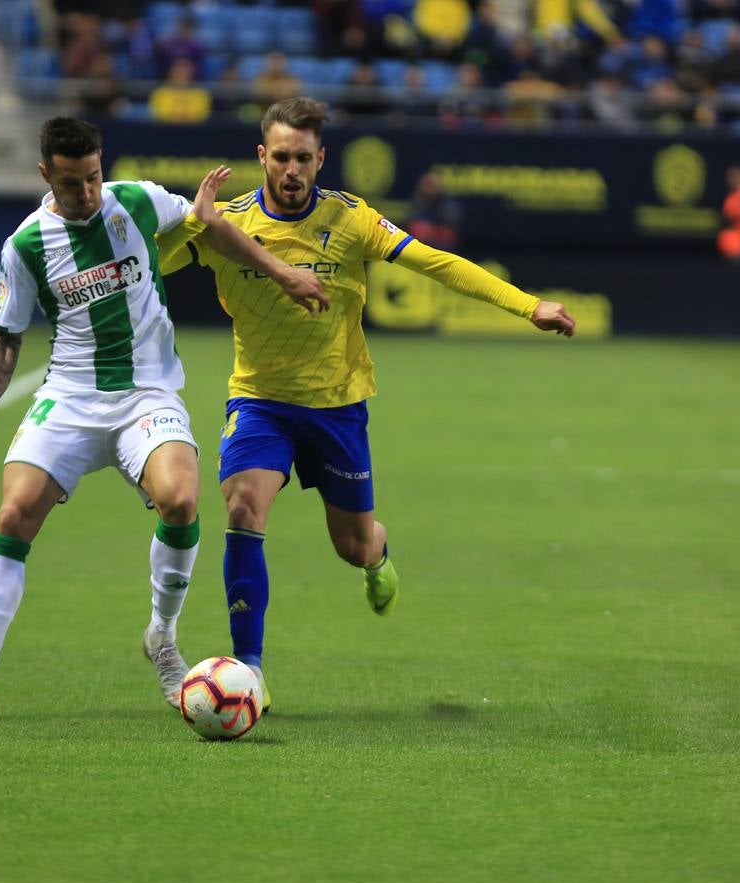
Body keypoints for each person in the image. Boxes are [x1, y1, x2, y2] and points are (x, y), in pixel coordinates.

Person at [156, 97, 575, 711]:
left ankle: (377, 555)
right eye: (280, 157)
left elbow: (438, 262)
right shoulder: (225, 223)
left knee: (351, 545)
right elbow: (142, 269)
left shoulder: (351, 220)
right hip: (260, 400)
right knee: (243, 507)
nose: (292, 169)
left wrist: (526, 305)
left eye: (304, 157)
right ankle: (249, 669)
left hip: (337, 406)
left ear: (320, 158)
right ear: (261, 157)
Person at [0, 117, 326, 720]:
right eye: (71, 182)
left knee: (182, 501)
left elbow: (207, 227)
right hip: (69, 395)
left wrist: (280, 272)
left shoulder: (135, 201)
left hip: (148, 394)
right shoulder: (26, 245)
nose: (87, 192)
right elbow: (4, 337)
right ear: (45, 175)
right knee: (13, 511)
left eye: (93, 176)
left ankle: (161, 637)